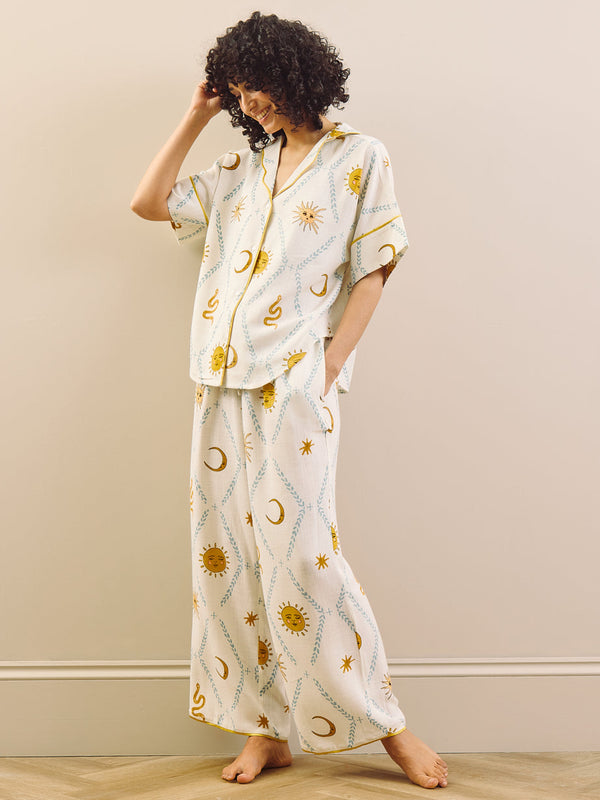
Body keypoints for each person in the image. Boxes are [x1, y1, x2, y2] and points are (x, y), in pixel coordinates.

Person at [131, 11, 448, 790]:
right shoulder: (242, 169)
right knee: (229, 560)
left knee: (304, 557)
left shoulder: (358, 158)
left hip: (293, 384)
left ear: (299, 75)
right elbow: (149, 203)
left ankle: (387, 725)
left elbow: (375, 268)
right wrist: (198, 113)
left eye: (258, 87)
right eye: (240, 93)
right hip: (218, 380)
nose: (253, 103)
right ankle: (263, 727)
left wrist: (331, 366)